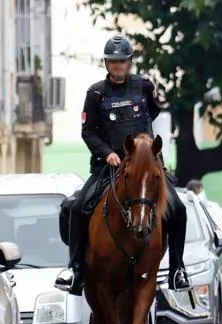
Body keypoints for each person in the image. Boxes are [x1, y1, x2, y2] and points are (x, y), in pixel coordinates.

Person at [55, 35, 191, 295]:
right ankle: (74, 269)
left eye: (123, 61)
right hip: (110, 165)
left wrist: (144, 151)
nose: (118, 66)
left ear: (130, 62)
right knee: (78, 208)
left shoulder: (144, 86)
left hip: (145, 165)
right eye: (113, 61)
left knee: (179, 210)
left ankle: (177, 269)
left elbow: (152, 113)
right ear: (107, 63)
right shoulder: (95, 93)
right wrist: (108, 153)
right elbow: (88, 132)